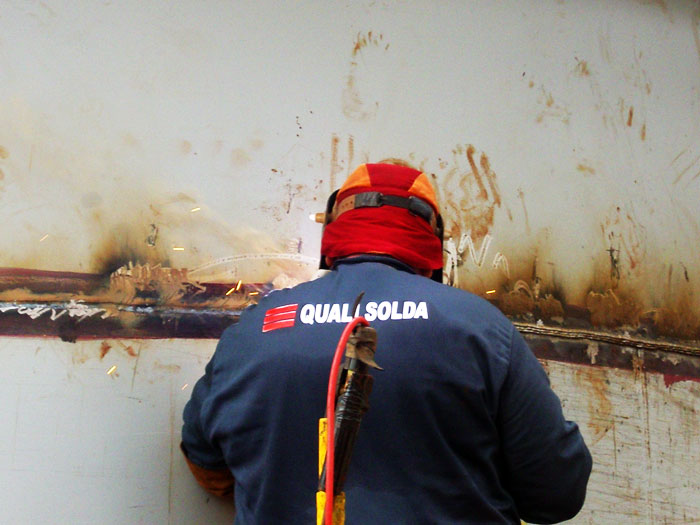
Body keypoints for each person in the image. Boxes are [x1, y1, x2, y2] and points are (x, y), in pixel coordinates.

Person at [181, 163, 592, 524]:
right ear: (432, 244)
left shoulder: (256, 328)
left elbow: (206, 463)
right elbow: (556, 493)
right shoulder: (481, 329)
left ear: (333, 235)